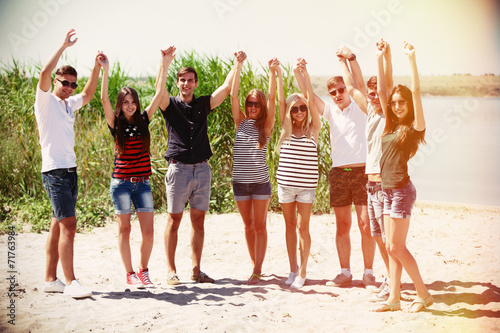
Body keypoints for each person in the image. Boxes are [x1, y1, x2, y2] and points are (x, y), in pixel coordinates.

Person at [157, 50, 240, 285]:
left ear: (195, 83)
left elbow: (225, 89)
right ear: (178, 83)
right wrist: (164, 63)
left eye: (190, 80)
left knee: (198, 222)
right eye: (182, 80)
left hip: (202, 170)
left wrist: (236, 63)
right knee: (173, 221)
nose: (186, 84)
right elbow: (158, 91)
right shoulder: (169, 105)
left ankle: (196, 271)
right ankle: (171, 271)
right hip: (178, 170)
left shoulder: (203, 103)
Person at [297, 47, 376, 287]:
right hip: (339, 173)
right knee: (343, 224)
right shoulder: (330, 111)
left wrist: (349, 60)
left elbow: (359, 85)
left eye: (341, 90)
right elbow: (307, 94)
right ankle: (345, 272)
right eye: (333, 92)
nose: (338, 94)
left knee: (365, 224)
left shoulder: (362, 108)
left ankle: (369, 273)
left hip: (363, 172)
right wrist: (301, 71)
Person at [98, 47, 174, 288]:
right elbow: (103, 99)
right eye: (125, 102)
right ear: (121, 105)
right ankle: (129, 273)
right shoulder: (115, 122)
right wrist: (106, 70)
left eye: (133, 102)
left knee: (149, 233)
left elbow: (160, 92)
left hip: (142, 183)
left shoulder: (143, 119)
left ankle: (143, 271)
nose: (130, 106)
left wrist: (164, 63)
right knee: (125, 230)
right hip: (121, 184)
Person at [35, 29, 101, 298]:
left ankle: (51, 280)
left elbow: (88, 93)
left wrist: (97, 67)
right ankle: (71, 282)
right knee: (69, 225)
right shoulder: (46, 101)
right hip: (54, 171)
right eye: (65, 82)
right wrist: (63, 45)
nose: (69, 88)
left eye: (72, 84)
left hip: (70, 171)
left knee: (57, 223)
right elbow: (43, 76)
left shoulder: (67, 104)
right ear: (57, 81)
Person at [373, 41, 433, 312]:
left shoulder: (414, 127)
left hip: (401, 190)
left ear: (408, 104)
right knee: (389, 246)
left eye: (402, 102)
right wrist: (382, 57)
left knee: (396, 246)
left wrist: (411, 58)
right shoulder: (390, 124)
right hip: (385, 190)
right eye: (394, 103)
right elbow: (383, 89)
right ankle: (394, 298)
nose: (397, 106)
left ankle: (423, 293)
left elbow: (417, 91)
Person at [230, 53, 277, 285]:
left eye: (256, 103)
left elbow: (272, 97)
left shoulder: (266, 126)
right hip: (239, 182)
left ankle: (257, 269)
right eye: (250, 103)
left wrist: (272, 73)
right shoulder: (240, 121)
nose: (252, 106)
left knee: (260, 226)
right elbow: (233, 94)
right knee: (248, 226)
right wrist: (237, 66)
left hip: (260, 182)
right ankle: (255, 265)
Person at [276, 58, 321, 289]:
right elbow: (281, 100)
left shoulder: (314, 129)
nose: (300, 111)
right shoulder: (285, 130)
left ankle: (303, 272)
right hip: (285, 185)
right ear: (289, 112)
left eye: (303, 108)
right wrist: (279, 73)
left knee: (304, 228)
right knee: (289, 226)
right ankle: (292, 268)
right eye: (295, 109)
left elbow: (312, 99)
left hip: (306, 187)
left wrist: (304, 73)